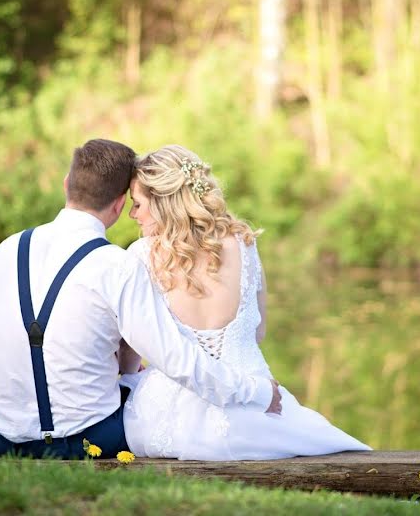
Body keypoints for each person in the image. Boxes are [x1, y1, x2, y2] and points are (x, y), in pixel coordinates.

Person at [0, 139, 281, 459]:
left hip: (0, 437)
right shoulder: (118, 266)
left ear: (67, 184)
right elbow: (174, 360)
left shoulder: (4, 251)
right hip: (89, 439)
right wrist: (257, 391)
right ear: (120, 203)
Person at [122, 145, 370, 459]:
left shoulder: (141, 255)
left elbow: (136, 347)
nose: (134, 214)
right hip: (258, 406)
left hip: (170, 417)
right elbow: (259, 331)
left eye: (138, 204)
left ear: (163, 202)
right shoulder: (243, 243)